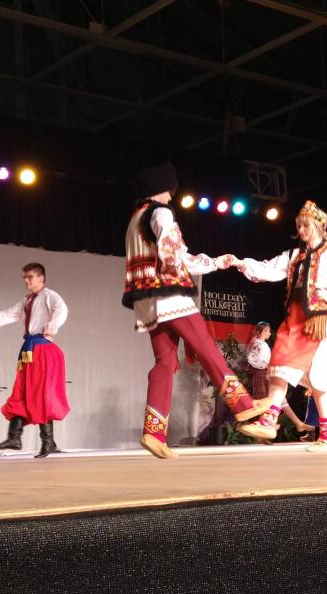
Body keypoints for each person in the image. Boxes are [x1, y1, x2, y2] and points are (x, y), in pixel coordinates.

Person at [122, 162, 272, 459]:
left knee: (165, 363)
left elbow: (177, 254)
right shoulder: (160, 212)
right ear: (166, 188)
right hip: (170, 294)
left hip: (146, 300)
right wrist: (171, 267)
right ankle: (242, 406)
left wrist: (216, 263)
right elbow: (172, 250)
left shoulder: (134, 219)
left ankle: (153, 432)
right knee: (205, 346)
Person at [229, 200, 327, 452]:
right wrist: (241, 263)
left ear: (319, 225)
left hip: (320, 321)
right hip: (294, 319)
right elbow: (268, 269)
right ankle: (270, 419)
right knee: (280, 363)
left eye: (305, 225)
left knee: (318, 379)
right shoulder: (294, 256)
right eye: (299, 226)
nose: (301, 231)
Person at [0, 263, 70, 458]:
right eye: (25, 277)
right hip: (30, 349)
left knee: (41, 394)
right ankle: (16, 436)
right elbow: (7, 315)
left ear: (41, 278)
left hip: (42, 349)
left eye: (30, 277)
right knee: (21, 391)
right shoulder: (27, 301)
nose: (26, 280)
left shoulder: (50, 296)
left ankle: (46, 441)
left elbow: (62, 310)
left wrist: (50, 328)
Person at [246, 322, 314, 438]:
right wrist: (267, 366)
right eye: (267, 331)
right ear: (261, 332)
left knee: (280, 400)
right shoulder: (259, 344)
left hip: (266, 373)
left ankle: (298, 424)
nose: (269, 333)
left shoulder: (260, 344)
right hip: (263, 374)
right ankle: (264, 431)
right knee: (269, 401)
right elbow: (252, 359)